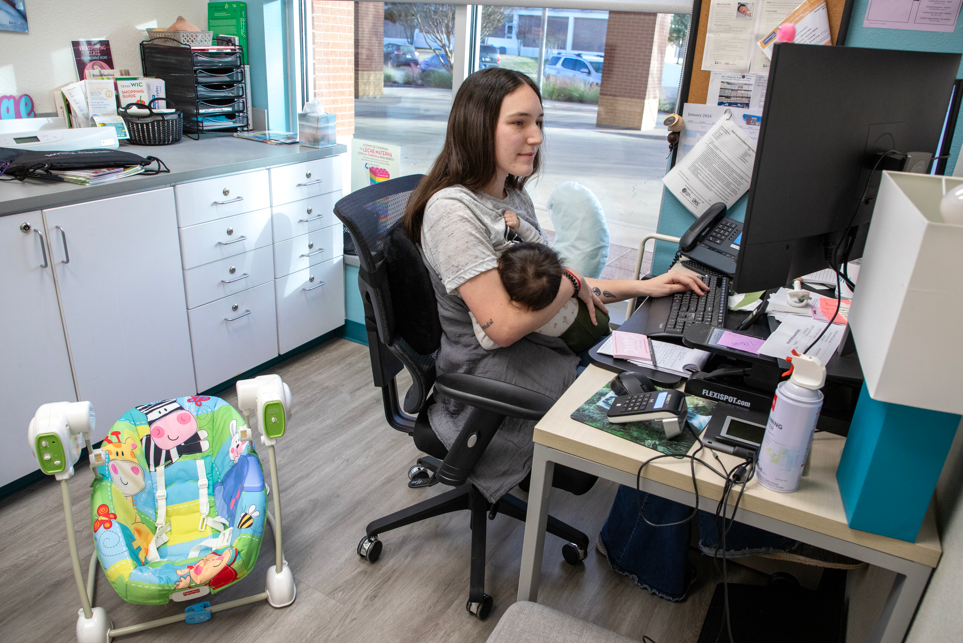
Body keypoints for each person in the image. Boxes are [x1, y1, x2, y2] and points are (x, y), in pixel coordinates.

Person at [401, 66, 708, 505]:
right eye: (519, 122)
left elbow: (560, 287)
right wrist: (570, 281)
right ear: (477, 128)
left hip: (540, 349)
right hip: (491, 377)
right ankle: (633, 555)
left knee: (667, 389)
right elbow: (504, 325)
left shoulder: (512, 195)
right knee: (658, 437)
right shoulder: (453, 211)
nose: (537, 136)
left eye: (539, 122)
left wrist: (649, 285)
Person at [469, 240, 612, 353]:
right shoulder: (554, 283)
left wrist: (476, 311)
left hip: (577, 340)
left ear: (512, 295)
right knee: (610, 342)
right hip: (600, 318)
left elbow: (487, 342)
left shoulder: (522, 316)